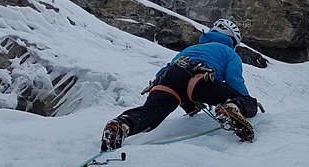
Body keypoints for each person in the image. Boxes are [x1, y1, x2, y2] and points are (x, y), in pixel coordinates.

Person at [101, 19, 261, 151]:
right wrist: (243, 99)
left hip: (167, 78)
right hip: (198, 78)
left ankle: (122, 124)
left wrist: (190, 105)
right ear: (232, 41)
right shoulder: (229, 52)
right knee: (242, 100)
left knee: (151, 113)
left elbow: (172, 75)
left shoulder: (191, 49)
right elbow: (235, 80)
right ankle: (231, 108)